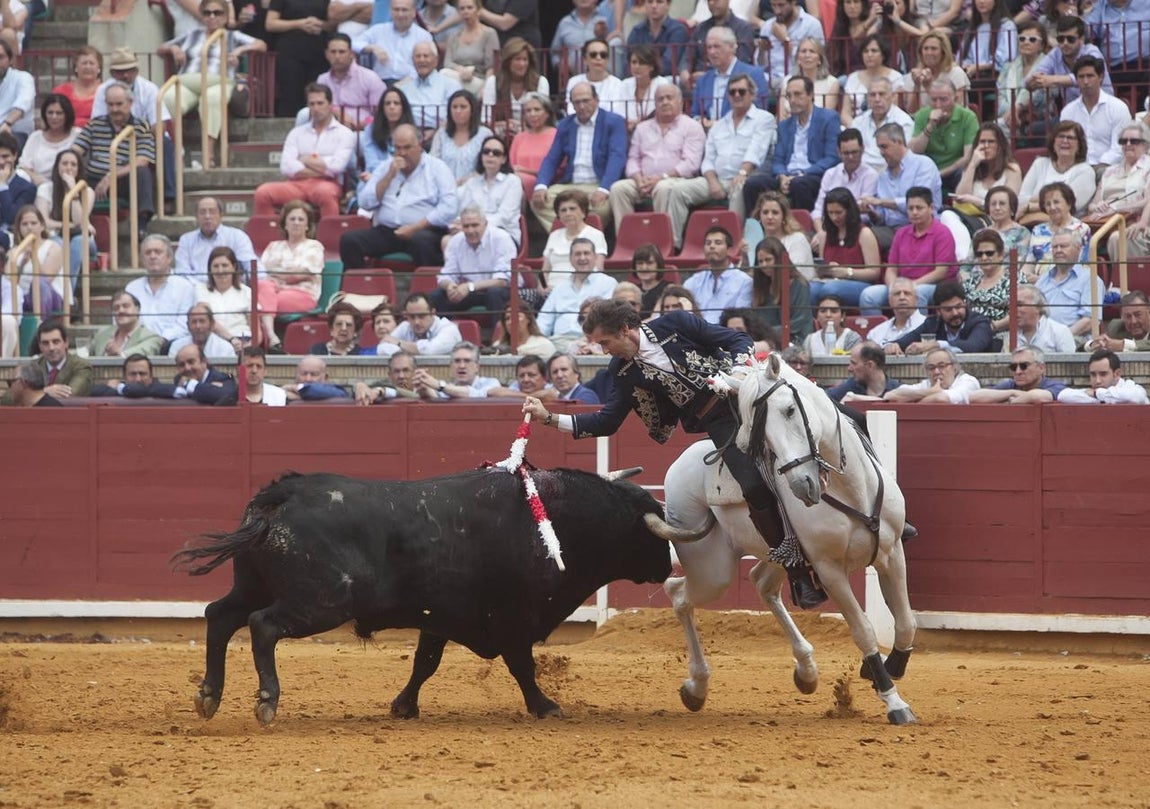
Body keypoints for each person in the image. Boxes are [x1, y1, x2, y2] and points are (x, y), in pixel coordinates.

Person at [521, 298, 829, 609]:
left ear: (625, 329)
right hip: (721, 422)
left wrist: (735, 371)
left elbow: (736, 339)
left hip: (751, 398)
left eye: (605, 341)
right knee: (752, 486)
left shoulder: (675, 324)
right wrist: (549, 418)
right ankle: (796, 570)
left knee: (833, 422)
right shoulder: (623, 371)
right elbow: (606, 421)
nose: (604, 350)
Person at [664, 72, 777, 249]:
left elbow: (757, 151)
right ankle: (673, 246)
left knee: (740, 187)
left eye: (742, 91)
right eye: (732, 92)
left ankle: (732, 246)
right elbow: (708, 159)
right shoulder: (719, 125)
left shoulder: (764, 119)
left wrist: (742, 173)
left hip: (747, 176)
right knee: (678, 190)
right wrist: (712, 181)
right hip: (717, 179)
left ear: (752, 95)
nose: (737, 95)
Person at [158, 0, 266, 168]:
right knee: (169, 98)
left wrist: (239, 50)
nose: (212, 16)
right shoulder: (193, 34)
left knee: (212, 99)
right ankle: (176, 150)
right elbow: (162, 47)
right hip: (188, 80)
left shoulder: (231, 36)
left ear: (225, 16)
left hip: (218, 80)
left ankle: (208, 156)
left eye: (217, 13)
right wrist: (174, 49)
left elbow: (261, 44)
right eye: (207, 13)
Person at [339, 124, 458, 269]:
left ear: (419, 145)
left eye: (407, 147)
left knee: (422, 242)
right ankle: (362, 287)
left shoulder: (437, 168)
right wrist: (389, 176)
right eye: (397, 148)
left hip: (424, 230)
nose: (402, 153)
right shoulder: (386, 167)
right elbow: (365, 202)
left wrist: (416, 227)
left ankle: (426, 290)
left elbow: (450, 207)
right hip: (388, 230)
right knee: (350, 240)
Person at [532, 81, 627, 233]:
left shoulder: (613, 122)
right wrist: (541, 186)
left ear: (596, 99)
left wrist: (603, 189)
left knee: (602, 209)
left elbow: (617, 157)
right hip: (571, 184)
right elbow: (551, 158)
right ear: (572, 105)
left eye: (586, 101)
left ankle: (572, 237)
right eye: (577, 102)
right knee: (538, 202)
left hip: (598, 183)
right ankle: (572, 236)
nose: (582, 106)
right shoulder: (565, 125)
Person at [253, 84, 356, 219]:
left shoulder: (345, 133)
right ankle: (270, 237)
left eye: (320, 103)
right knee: (263, 193)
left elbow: (337, 167)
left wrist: (304, 160)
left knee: (326, 193)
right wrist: (324, 168)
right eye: (312, 104)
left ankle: (329, 238)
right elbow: (286, 166)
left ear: (330, 105)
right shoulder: (297, 133)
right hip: (295, 184)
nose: (316, 108)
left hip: (327, 184)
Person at [610, 83, 705, 231]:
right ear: (655, 104)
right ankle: (627, 241)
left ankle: (663, 242)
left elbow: (691, 164)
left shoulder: (692, 126)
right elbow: (633, 158)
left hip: (676, 180)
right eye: (660, 99)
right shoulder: (642, 128)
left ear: (680, 102)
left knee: (662, 188)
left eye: (669, 98)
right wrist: (638, 179)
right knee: (618, 189)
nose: (665, 102)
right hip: (643, 181)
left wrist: (661, 177)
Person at [70, 83, 157, 241]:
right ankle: (77, 228)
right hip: (94, 180)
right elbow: (76, 149)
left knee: (142, 173)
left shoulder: (141, 126)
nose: (115, 109)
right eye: (110, 104)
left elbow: (143, 160)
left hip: (122, 180)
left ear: (130, 103)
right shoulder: (95, 124)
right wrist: (69, 161)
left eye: (119, 104)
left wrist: (111, 176)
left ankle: (141, 226)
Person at [742, 75, 841, 212]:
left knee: (799, 185)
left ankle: (804, 230)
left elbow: (832, 158)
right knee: (752, 184)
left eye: (797, 94)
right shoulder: (784, 125)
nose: (792, 100)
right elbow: (778, 159)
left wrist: (802, 173)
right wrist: (782, 176)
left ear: (810, 95)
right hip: (787, 176)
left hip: (813, 176)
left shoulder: (829, 118)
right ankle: (756, 231)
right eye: (789, 96)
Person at [861, 186, 956, 313]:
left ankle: (916, 332)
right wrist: (893, 287)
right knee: (869, 295)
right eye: (910, 208)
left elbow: (940, 272)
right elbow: (891, 269)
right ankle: (881, 332)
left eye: (919, 208)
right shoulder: (901, 233)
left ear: (931, 208)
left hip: (935, 286)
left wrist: (911, 286)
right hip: (903, 286)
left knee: (918, 292)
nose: (914, 212)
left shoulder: (942, 233)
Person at [857, 122, 942, 251]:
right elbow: (882, 219)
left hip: (920, 227)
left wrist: (880, 202)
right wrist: (871, 212)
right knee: (855, 235)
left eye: (884, 147)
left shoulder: (923, 165)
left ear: (899, 142)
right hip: (890, 230)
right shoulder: (883, 176)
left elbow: (920, 202)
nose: (881, 152)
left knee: (865, 237)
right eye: (879, 148)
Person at [256, 201, 324, 348]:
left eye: (301, 219)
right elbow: (262, 274)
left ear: (307, 225)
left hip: (303, 294)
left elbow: (302, 274)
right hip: (271, 292)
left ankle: (264, 338)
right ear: (285, 224)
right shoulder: (273, 246)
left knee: (260, 304)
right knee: (262, 286)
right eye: (292, 219)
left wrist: (276, 274)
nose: (296, 223)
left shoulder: (314, 246)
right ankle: (271, 335)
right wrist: (285, 274)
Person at [431, 205, 516, 317]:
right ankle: (446, 332)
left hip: (503, 291)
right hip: (471, 292)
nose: (470, 231)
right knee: (437, 295)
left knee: (494, 293)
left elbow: (502, 281)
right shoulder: (456, 241)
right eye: (466, 226)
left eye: (475, 225)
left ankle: (498, 333)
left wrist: (470, 286)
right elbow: (445, 275)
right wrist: (449, 286)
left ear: (485, 224)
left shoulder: (501, 238)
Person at [538, 237, 618, 348]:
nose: (582, 258)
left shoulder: (608, 283)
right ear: (570, 259)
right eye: (577, 254)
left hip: (594, 341)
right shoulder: (559, 288)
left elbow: (609, 319)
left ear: (595, 257)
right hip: (559, 343)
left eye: (586, 253)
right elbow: (544, 320)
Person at [264, 0, 334, 118]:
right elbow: (270, 24)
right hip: (290, 52)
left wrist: (319, 24)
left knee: (316, 93)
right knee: (290, 95)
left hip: (319, 53)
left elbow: (333, 22)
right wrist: (299, 24)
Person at [1058, 56, 1130, 169]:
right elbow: (1064, 144)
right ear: (1076, 80)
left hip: (1110, 169)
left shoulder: (1118, 107)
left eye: (1090, 76)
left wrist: (1099, 166)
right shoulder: (1068, 111)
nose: (1085, 82)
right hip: (1076, 168)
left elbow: (1119, 147)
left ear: (1100, 77)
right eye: (1081, 77)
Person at [810, 129, 878, 247]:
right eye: (846, 153)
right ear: (838, 152)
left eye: (855, 152)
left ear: (862, 150)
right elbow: (818, 210)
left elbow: (864, 213)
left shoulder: (871, 175)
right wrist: (822, 233)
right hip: (828, 226)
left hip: (856, 229)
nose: (851, 157)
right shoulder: (830, 174)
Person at [452, 135, 523, 247]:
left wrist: (475, 225)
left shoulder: (512, 181)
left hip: (503, 234)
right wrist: (457, 224)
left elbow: (504, 217)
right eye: (486, 151)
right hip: (472, 231)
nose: (490, 155)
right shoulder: (472, 183)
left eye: (496, 153)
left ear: (503, 159)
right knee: (448, 240)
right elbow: (464, 211)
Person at [888, 281, 996, 354]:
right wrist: (893, 346)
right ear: (938, 311)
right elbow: (904, 341)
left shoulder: (980, 322)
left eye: (958, 307)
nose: (955, 313)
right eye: (948, 309)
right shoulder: (932, 324)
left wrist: (936, 345)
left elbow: (973, 346)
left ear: (965, 303)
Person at [1026, 15, 1112, 107]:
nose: (1065, 43)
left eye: (1070, 39)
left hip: (1102, 107)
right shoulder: (1055, 53)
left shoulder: (1091, 51)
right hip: (1073, 112)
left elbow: (1086, 78)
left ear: (1082, 39)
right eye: (1061, 39)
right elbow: (1031, 79)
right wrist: (1034, 80)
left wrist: (1052, 80)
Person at [124, 234, 197, 343]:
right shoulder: (132, 288)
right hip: (136, 345)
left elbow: (184, 325)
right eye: (148, 253)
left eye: (158, 252)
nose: (152, 256)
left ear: (169, 258)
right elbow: (124, 321)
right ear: (142, 259)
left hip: (172, 345)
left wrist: (159, 340)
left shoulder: (185, 287)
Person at [1034, 228, 1104, 339]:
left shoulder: (1090, 280)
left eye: (1064, 246)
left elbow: (1090, 321)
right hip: (1041, 338)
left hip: (1075, 339)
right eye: (1055, 247)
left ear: (1078, 249)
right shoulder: (1043, 279)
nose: (1058, 250)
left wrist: (1060, 338)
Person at [909, 78, 977, 192]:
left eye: (943, 100)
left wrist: (940, 173)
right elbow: (914, 151)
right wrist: (930, 125)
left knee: (964, 173)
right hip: (927, 170)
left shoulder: (968, 117)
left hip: (954, 170)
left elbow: (967, 157)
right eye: (934, 100)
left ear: (955, 99)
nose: (938, 105)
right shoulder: (922, 114)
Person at [690, 26, 769, 122]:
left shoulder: (753, 74)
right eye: (709, 47)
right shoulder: (703, 80)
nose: (712, 52)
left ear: (732, 47)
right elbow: (695, 113)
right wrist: (701, 121)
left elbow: (759, 110)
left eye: (717, 46)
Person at [174, 196, 261, 283]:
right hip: (196, 291)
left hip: (230, 290)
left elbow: (251, 266)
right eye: (202, 212)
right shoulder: (186, 240)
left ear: (221, 215)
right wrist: (203, 287)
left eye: (212, 212)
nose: (207, 216)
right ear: (196, 217)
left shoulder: (237, 236)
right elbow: (182, 272)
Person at [539, 188, 608, 292]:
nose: (567, 213)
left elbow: (597, 271)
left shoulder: (596, 235)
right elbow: (544, 271)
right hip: (550, 291)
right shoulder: (554, 235)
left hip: (579, 291)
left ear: (583, 212)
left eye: (572, 209)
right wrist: (543, 288)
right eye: (563, 210)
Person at [313, 33, 385, 132]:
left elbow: (380, 112)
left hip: (363, 131)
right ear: (327, 54)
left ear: (351, 54)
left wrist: (364, 124)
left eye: (341, 52)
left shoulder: (370, 78)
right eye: (333, 52)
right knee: (304, 113)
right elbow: (317, 106)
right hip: (330, 128)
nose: (337, 56)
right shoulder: (322, 80)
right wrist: (337, 113)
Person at [681, 0, 757, 93]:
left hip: (731, 80)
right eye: (709, 1)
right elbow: (688, 55)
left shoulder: (743, 28)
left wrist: (708, 75)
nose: (712, 3)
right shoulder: (700, 28)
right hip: (697, 82)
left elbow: (742, 60)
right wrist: (684, 70)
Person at [952, 123, 1023, 222]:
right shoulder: (972, 167)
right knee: (948, 215)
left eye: (991, 142)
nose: (986, 146)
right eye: (982, 142)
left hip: (997, 221)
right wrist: (973, 164)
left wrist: (978, 202)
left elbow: (1008, 205)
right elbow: (960, 198)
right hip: (971, 218)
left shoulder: (1012, 169)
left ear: (1000, 145)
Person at [1020, 182, 1090, 283]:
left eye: (1056, 202)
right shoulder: (1038, 230)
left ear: (1069, 203)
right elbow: (1030, 263)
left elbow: (1080, 266)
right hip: (1037, 284)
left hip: (1069, 283)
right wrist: (1024, 277)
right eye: (1048, 204)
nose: (1052, 207)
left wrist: (1042, 280)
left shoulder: (1081, 229)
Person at [350, 0, 432, 85]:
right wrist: (372, 47)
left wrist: (406, 82)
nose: (400, 14)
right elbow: (352, 43)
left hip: (410, 83)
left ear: (413, 12)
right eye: (396, 10)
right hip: (379, 83)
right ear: (390, 11)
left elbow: (427, 65)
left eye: (404, 10)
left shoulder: (423, 36)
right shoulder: (378, 30)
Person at [683, 226, 753, 324]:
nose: (712, 246)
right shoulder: (694, 280)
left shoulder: (745, 282)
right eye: (708, 243)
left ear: (729, 250)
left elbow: (740, 318)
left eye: (718, 243)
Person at [960, 0, 1018, 118]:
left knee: (968, 87)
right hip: (973, 74)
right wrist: (966, 65)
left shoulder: (1006, 25)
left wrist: (979, 67)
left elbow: (1006, 57)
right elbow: (963, 56)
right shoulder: (972, 28)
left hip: (997, 75)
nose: (981, 1)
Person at [482, 37, 549, 137]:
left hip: (531, 134)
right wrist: (505, 125)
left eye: (525, 59)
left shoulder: (541, 82)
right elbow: (485, 119)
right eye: (517, 59)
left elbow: (544, 117)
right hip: (500, 135)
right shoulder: (493, 82)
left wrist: (522, 126)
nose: (522, 64)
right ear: (508, 62)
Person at [742, 189, 814, 280]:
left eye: (775, 213)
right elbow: (743, 274)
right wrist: (744, 257)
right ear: (759, 216)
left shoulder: (797, 239)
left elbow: (793, 273)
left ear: (784, 216)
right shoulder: (756, 240)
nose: (769, 217)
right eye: (765, 212)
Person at [963, 228, 1024, 334]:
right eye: (979, 254)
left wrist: (991, 327)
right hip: (971, 335)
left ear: (1000, 255)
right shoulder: (970, 282)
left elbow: (1021, 312)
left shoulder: (1015, 279)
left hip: (1001, 335)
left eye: (989, 253)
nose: (984, 257)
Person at [751, 236, 812, 341]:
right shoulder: (761, 286)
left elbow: (799, 322)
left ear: (779, 259)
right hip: (765, 339)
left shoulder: (799, 284)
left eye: (768, 260)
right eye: (760, 261)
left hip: (794, 340)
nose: (764, 265)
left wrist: (766, 333)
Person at [998, 19, 1050, 141]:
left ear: (1042, 45)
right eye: (1022, 39)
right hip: (1006, 117)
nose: (1026, 43)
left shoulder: (1048, 65)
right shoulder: (1008, 66)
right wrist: (1010, 113)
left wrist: (1017, 110)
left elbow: (1041, 96)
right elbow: (1000, 94)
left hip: (1037, 116)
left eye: (1032, 39)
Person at [399, 41, 463, 140]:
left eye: (426, 56)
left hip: (443, 134)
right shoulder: (404, 89)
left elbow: (456, 115)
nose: (421, 60)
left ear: (436, 60)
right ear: (413, 61)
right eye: (418, 56)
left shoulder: (451, 85)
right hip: (408, 136)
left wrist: (435, 132)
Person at [1092, 123, 1150, 231]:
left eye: (1134, 141)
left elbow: (1147, 200)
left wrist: (1116, 208)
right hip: (1102, 221)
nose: (1128, 144)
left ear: (1145, 144)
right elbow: (1092, 205)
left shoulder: (1148, 167)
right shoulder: (1109, 171)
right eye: (1123, 141)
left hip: (1132, 221)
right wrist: (1099, 206)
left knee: (1116, 237)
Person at [849, 76, 913, 172]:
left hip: (890, 171)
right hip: (860, 174)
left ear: (892, 96)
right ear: (867, 98)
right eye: (872, 95)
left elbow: (903, 156)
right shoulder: (858, 122)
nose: (877, 99)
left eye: (882, 94)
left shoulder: (903, 121)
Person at [757, 0, 825, 90]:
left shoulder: (812, 25)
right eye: (773, 6)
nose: (777, 11)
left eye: (781, 5)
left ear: (793, 2)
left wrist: (785, 40)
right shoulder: (768, 26)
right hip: (769, 79)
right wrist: (762, 51)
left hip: (798, 78)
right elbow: (760, 64)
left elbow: (815, 60)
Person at [429, 89, 492, 185]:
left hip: (475, 187)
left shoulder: (485, 134)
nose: (458, 111)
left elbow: (488, 165)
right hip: (444, 187)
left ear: (472, 110)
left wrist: (466, 181)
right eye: (454, 107)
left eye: (463, 107)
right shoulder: (441, 134)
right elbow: (433, 162)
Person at [194, 246, 252, 349]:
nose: (220, 270)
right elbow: (207, 319)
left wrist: (247, 347)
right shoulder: (201, 289)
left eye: (225, 265)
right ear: (210, 269)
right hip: (212, 341)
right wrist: (231, 340)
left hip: (243, 341)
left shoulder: (246, 291)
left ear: (233, 267)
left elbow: (256, 329)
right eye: (215, 266)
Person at [840, 34, 904, 125]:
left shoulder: (895, 77)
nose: (869, 55)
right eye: (865, 51)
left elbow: (894, 110)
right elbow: (845, 113)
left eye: (874, 51)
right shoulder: (852, 78)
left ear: (883, 54)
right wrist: (856, 128)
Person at [10, 205, 64, 309]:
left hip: (51, 297)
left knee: (39, 283)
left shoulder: (53, 247)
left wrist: (34, 256)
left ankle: (41, 322)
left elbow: (47, 279)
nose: (29, 227)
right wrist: (22, 265)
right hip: (24, 297)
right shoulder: (14, 251)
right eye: (24, 224)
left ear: (42, 226)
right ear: (19, 228)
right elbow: (9, 281)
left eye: (33, 223)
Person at [882, 346, 981, 402]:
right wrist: (930, 391)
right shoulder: (926, 385)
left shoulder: (968, 381)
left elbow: (941, 399)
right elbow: (890, 396)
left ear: (954, 368)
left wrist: (914, 401)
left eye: (942, 366)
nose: (936, 372)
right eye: (931, 368)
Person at [968, 345, 1066, 402]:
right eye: (1014, 367)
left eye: (1024, 366)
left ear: (1041, 368)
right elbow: (974, 397)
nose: (1018, 372)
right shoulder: (1010, 385)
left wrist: (1015, 401)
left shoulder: (1055, 385)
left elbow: (1038, 397)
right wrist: (1012, 392)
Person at [442, 0, 499, 97]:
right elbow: (447, 62)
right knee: (443, 73)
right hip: (457, 78)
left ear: (478, 10)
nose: (466, 11)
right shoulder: (454, 36)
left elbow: (492, 67)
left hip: (478, 80)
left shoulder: (489, 34)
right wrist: (461, 70)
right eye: (462, 9)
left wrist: (484, 89)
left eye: (469, 8)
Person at [18, 94, 78, 187]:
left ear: (67, 114)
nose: (54, 117)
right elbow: (23, 167)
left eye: (59, 113)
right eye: (50, 112)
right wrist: (39, 180)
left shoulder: (77, 135)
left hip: (66, 185)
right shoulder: (35, 137)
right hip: (37, 184)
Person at [508, 91, 556, 201]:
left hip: (545, 182)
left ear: (547, 113)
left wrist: (526, 171)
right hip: (517, 181)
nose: (532, 114)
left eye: (537, 110)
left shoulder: (555, 135)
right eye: (528, 111)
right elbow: (513, 166)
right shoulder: (519, 138)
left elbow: (558, 169)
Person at [413, 339, 498, 398]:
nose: (461, 366)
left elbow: (476, 395)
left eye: (467, 361)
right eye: (457, 361)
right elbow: (436, 397)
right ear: (451, 366)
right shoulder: (447, 389)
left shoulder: (491, 383)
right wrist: (423, 387)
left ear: (477, 367)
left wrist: (439, 385)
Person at [90, 290, 164, 358]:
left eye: (126, 306)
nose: (121, 310)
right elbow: (85, 353)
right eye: (116, 308)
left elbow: (143, 352)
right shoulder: (101, 334)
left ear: (137, 309)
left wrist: (120, 354)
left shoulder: (151, 337)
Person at [1058, 349, 1150, 404]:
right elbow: (1063, 396)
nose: (1097, 380)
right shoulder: (1091, 392)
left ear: (1117, 374)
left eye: (1103, 374)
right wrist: (1103, 397)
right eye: (1093, 374)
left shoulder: (1130, 388)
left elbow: (1138, 396)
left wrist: (1097, 394)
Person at [626, 0, 689, 78]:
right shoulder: (637, 31)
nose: (654, 6)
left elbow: (668, 65)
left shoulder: (678, 30)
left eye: (659, 2)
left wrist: (642, 69)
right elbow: (628, 61)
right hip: (639, 79)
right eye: (650, 2)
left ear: (668, 5)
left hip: (667, 79)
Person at [360, 87, 416, 174]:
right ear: (382, 108)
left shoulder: (411, 131)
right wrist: (393, 167)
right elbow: (372, 164)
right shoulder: (370, 130)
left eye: (396, 103)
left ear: (403, 108)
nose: (392, 107)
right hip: (375, 177)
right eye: (387, 103)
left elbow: (413, 162)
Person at [617, 43, 672, 132]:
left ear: (651, 66)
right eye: (634, 62)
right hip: (628, 131)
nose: (637, 67)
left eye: (642, 63)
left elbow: (663, 113)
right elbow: (619, 112)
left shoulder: (662, 84)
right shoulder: (625, 84)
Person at [391, 292, 464, 356]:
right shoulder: (404, 327)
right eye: (412, 317)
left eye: (421, 316)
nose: (417, 322)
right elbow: (383, 347)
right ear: (406, 315)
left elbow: (431, 350)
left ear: (432, 313)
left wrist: (399, 343)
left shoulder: (449, 328)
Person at [1012, 284, 1076, 353]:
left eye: (1019, 305)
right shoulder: (1011, 335)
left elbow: (1069, 363)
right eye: (1011, 305)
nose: (1013, 310)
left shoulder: (1060, 332)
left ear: (1038, 307)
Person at [166, 343, 238, 405]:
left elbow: (227, 396)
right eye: (181, 365)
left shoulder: (223, 378)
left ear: (204, 362)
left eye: (191, 362)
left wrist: (189, 385)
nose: (187, 368)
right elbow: (157, 388)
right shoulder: (178, 379)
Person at [550, 0, 609, 74]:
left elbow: (616, 46)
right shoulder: (565, 23)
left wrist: (603, 36)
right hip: (572, 78)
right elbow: (555, 52)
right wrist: (559, 64)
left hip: (603, 77)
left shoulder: (605, 19)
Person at [827, 340, 899, 401]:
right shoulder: (850, 387)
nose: (849, 368)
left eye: (854, 363)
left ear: (870, 365)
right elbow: (822, 398)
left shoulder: (898, 392)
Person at [866, 276, 925, 346]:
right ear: (889, 300)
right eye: (897, 294)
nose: (902, 297)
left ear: (916, 299)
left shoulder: (929, 327)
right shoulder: (875, 333)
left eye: (907, 293)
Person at [167, 302, 236, 360]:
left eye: (202, 321)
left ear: (212, 324)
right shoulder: (177, 347)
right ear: (188, 326)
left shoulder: (225, 348)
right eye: (194, 322)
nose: (198, 326)